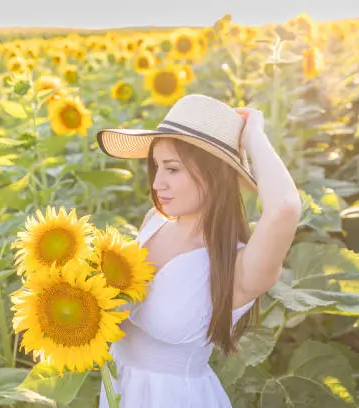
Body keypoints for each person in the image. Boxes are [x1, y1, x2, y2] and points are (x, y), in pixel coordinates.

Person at [95, 93, 301, 407]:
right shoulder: (155, 222)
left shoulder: (237, 266)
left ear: (215, 174)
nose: (157, 183)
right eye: (156, 167)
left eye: (173, 169)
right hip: (120, 391)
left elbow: (284, 208)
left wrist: (254, 135)